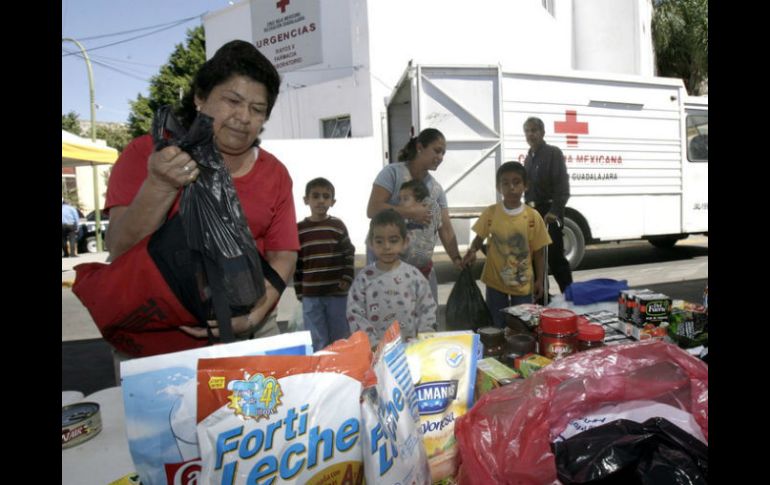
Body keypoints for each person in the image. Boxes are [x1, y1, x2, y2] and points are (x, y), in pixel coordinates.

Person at [104, 40, 299, 348]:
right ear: (200, 97)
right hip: (158, 337)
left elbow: (283, 254)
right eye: (232, 101)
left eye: (257, 109)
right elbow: (118, 250)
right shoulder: (145, 154)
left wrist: (252, 318)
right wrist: (160, 184)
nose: (244, 117)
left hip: (250, 332)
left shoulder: (274, 173)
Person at [366, 128, 465, 302]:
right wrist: (410, 212)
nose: (440, 157)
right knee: (392, 324)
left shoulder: (436, 189)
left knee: (425, 325)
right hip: (387, 272)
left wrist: (456, 258)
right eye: (437, 150)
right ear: (420, 147)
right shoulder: (392, 174)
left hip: (421, 273)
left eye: (443, 153)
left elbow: (446, 229)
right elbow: (373, 209)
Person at [462, 162, 551, 328]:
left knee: (522, 326)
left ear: (526, 186)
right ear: (498, 187)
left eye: (517, 182)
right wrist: (472, 250)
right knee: (495, 325)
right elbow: (479, 238)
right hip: (495, 281)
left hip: (523, 284)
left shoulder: (533, 216)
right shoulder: (491, 213)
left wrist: (540, 279)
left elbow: (539, 252)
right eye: (505, 183)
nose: (511, 187)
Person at [347, 209, 437, 347]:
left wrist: (424, 341)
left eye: (393, 240)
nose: (387, 247)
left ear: (405, 242)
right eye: (379, 241)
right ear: (371, 243)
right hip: (375, 354)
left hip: (411, 351)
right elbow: (355, 314)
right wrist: (373, 345)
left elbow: (427, 309)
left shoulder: (414, 277)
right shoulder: (364, 279)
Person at [294, 177, 355, 351]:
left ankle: (342, 369)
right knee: (316, 338)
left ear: (332, 201)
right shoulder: (299, 230)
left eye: (326, 196)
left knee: (340, 337)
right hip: (310, 295)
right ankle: (322, 370)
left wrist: (347, 277)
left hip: (336, 293)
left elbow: (348, 253)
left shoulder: (337, 226)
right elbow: (296, 264)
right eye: (315, 196)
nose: (321, 200)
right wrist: (300, 291)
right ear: (306, 200)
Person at [522, 116, 573, 298]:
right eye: (527, 131)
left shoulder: (553, 153)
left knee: (555, 258)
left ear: (542, 133)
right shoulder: (528, 158)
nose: (530, 134)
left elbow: (562, 186)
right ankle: (542, 298)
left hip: (549, 212)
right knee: (536, 259)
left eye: (534, 130)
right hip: (533, 214)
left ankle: (571, 297)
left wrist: (555, 211)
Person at [398, 179, 442, 289]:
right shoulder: (401, 219)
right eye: (400, 199)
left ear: (420, 200)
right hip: (404, 270)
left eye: (406, 199)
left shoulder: (429, 214)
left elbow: (436, 219)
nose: (401, 203)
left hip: (423, 268)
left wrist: (422, 206)